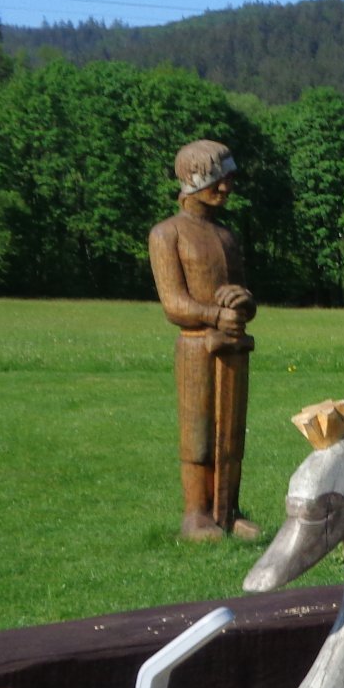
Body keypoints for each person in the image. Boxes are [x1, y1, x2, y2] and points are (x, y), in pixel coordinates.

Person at [148, 140, 259, 540]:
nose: (227, 187)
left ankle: (228, 510)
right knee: (198, 431)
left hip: (233, 347)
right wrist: (215, 315)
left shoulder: (227, 237)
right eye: (220, 179)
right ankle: (196, 513)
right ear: (195, 179)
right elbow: (174, 304)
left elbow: (243, 295)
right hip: (196, 348)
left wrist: (244, 301)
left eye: (229, 178)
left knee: (231, 431)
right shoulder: (168, 234)